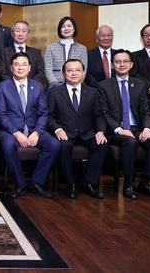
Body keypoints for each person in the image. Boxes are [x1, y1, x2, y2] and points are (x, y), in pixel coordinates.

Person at [98, 50, 150, 200]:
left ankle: (145, 182)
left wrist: (147, 128)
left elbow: (145, 111)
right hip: (114, 131)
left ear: (131, 64)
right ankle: (127, 184)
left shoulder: (139, 85)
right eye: (118, 62)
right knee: (130, 142)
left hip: (136, 128)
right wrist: (119, 129)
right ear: (112, 65)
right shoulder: (103, 86)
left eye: (125, 61)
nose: (122, 64)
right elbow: (104, 113)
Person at [0, 52, 59, 199]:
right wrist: (17, 133)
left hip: (33, 129)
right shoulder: (2, 87)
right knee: (7, 145)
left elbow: (43, 113)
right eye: (17, 65)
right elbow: (0, 115)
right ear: (11, 68)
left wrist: (36, 132)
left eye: (24, 64)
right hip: (10, 130)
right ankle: (21, 184)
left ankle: (36, 182)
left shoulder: (38, 86)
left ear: (29, 68)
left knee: (54, 144)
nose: (20, 68)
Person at [47, 59, 107, 199]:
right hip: (65, 133)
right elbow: (49, 116)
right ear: (63, 74)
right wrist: (57, 129)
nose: (74, 73)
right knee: (63, 146)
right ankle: (71, 184)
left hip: (87, 133)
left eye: (77, 70)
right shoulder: (55, 92)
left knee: (102, 144)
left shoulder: (92, 92)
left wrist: (100, 131)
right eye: (70, 70)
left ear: (83, 73)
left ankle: (89, 182)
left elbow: (99, 115)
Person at [44, 16, 88, 89]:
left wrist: (76, 84)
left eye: (69, 26)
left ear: (74, 28)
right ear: (60, 29)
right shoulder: (51, 48)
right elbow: (48, 69)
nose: (66, 28)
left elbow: (84, 70)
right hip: (55, 86)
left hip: (75, 86)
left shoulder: (82, 48)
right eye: (63, 26)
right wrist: (56, 85)